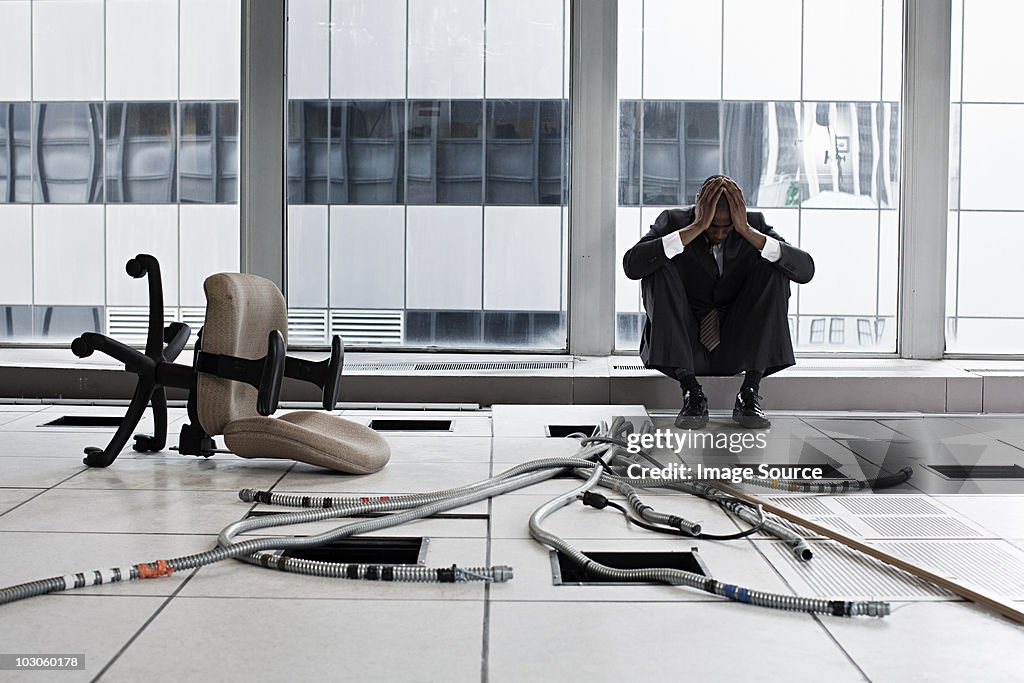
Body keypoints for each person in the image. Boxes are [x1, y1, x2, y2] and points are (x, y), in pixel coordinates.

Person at [622, 175, 814, 429]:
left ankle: (749, 393)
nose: (721, 234)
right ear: (698, 206)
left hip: (737, 347)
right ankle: (691, 393)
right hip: (685, 346)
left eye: (728, 228)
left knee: (774, 267)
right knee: (658, 266)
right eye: (713, 227)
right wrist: (695, 229)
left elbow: (805, 270)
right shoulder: (672, 221)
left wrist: (746, 231)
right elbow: (632, 266)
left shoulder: (752, 224)